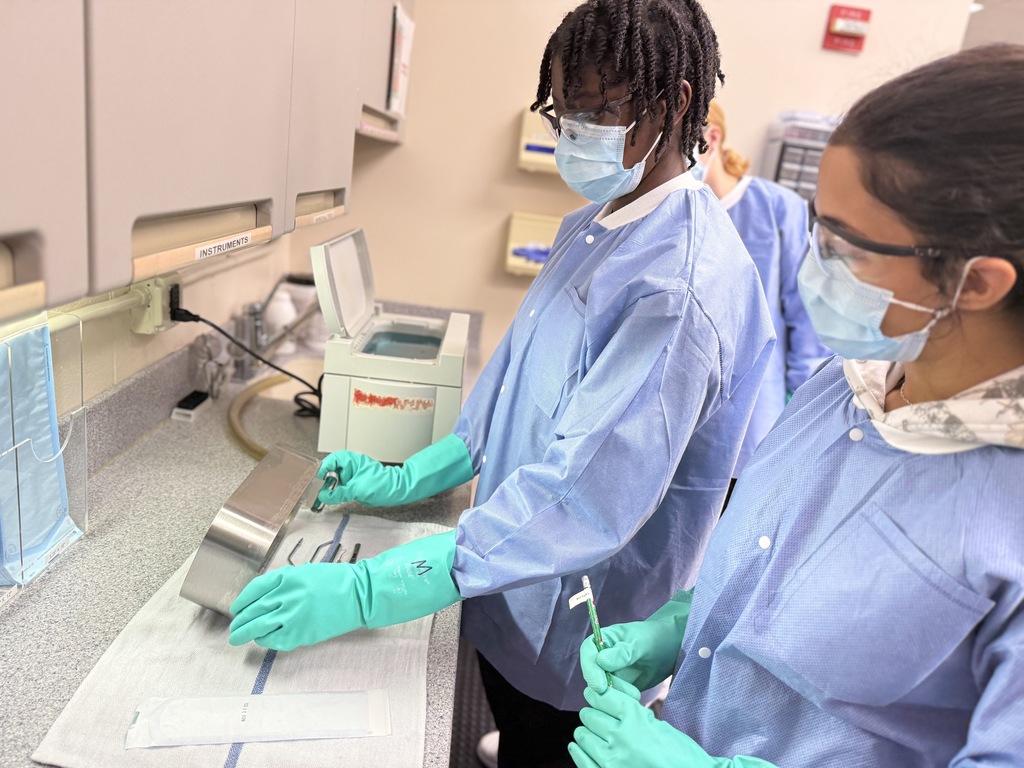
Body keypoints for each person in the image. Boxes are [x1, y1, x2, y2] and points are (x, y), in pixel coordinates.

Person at [226, 1, 775, 766]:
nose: (576, 130)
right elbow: (517, 379)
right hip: (505, 577)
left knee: (541, 740)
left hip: (579, 624)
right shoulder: (598, 223)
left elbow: (584, 496)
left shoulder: (679, 289)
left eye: (599, 109)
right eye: (566, 111)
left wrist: (369, 590)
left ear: (674, 103)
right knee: (513, 728)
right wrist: (415, 472)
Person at [570, 43, 1024, 768]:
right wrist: (682, 631)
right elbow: (775, 570)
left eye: (846, 248)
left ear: (977, 282)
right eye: (818, 226)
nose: (815, 264)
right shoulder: (848, 384)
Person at [694, 100, 830, 472]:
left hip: (754, 416)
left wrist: (805, 404)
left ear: (712, 138)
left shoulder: (776, 208)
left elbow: (807, 316)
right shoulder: (673, 213)